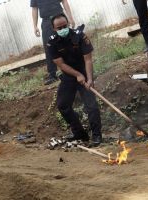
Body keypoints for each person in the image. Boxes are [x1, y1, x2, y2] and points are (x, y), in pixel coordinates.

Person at [47, 13, 102, 146]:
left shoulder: (80, 36)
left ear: (68, 24)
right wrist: (77, 75)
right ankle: (80, 134)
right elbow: (60, 64)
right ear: (54, 29)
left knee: (91, 105)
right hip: (68, 75)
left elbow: (88, 59)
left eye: (64, 26)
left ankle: (97, 135)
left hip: (85, 70)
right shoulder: (51, 42)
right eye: (59, 28)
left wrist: (89, 79)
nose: (62, 29)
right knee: (63, 105)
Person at [30, 0, 75, 85]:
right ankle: (52, 74)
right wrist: (35, 26)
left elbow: (64, 1)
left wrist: (70, 18)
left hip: (60, 18)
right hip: (46, 22)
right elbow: (34, 9)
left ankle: (73, 68)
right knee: (49, 47)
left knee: (67, 43)